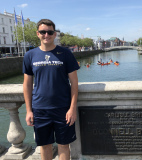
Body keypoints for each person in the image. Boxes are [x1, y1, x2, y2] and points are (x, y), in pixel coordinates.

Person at [23, 19, 80, 160]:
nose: (46, 35)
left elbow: (74, 82)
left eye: (50, 32)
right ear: (38, 34)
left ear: (54, 34)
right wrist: (29, 110)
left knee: (63, 145)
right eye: (43, 32)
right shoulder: (30, 55)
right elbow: (27, 84)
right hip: (40, 109)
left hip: (63, 108)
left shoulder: (66, 53)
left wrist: (72, 108)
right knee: (44, 145)